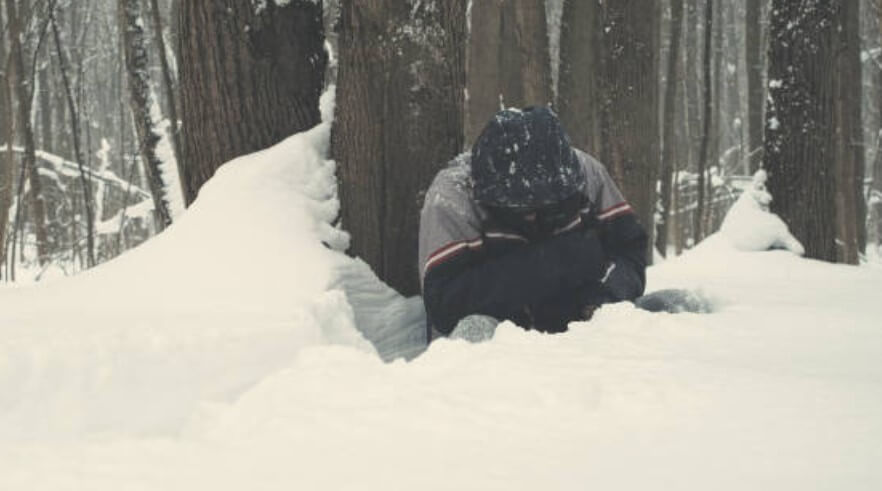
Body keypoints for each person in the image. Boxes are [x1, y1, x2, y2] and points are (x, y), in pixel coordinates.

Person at [418, 106, 648, 342]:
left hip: (581, 332)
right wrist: (555, 262)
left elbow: (631, 251)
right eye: (518, 207)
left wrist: (604, 296)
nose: (530, 217)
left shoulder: (588, 175)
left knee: (674, 304)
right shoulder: (453, 197)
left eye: (544, 206)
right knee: (473, 329)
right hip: (497, 347)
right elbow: (445, 306)